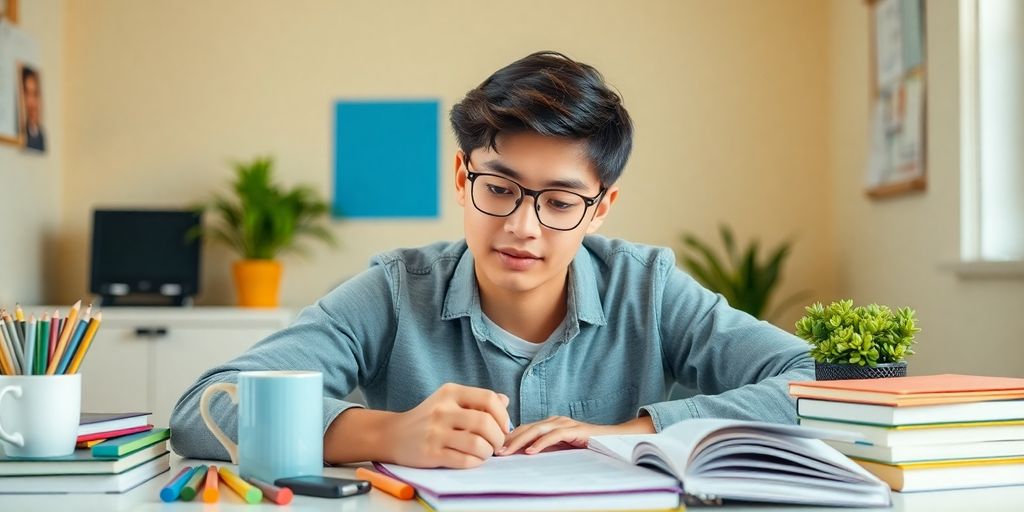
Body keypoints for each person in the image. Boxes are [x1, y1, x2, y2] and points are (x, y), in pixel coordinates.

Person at [170, 51, 813, 469]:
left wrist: (638, 429)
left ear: (602, 205)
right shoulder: (395, 290)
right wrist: (387, 435)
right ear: (461, 174)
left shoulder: (646, 288)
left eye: (560, 201)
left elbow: (817, 381)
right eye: (500, 188)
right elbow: (205, 404)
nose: (521, 226)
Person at [20, 66, 45, 152]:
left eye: (35, 94)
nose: (32, 102)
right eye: (27, 94)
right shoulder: (21, 133)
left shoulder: (41, 135)